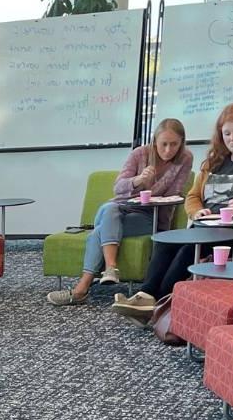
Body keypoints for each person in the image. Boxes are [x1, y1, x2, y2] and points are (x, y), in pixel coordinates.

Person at [113, 102, 233, 322]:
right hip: (205, 227)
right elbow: (192, 197)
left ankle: (157, 304)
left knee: (187, 250)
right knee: (166, 242)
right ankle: (145, 295)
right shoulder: (213, 162)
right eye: (227, 133)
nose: (232, 138)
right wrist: (197, 211)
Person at [47, 119, 192, 306]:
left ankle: (82, 288)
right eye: (163, 144)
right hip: (119, 208)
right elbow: (118, 188)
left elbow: (174, 194)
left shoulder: (185, 159)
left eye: (174, 144)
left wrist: (151, 193)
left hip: (149, 215)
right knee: (110, 209)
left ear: (182, 143)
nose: (168, 150)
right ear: (154, 141)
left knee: (99, 232)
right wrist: (139, 180)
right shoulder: (139, 154)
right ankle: (110, 267)